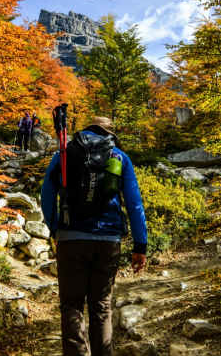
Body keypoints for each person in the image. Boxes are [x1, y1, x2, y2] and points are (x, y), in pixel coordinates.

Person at [41, 116, 148, 356]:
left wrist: (55, 228)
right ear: (109, 133)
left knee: (72, 305)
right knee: (100, 306)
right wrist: (140, 245)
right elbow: (134, 203)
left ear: (87, 130)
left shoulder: (65, 154)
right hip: (108, 241)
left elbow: (47, 194)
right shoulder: (120, 157)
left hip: (70, 238)